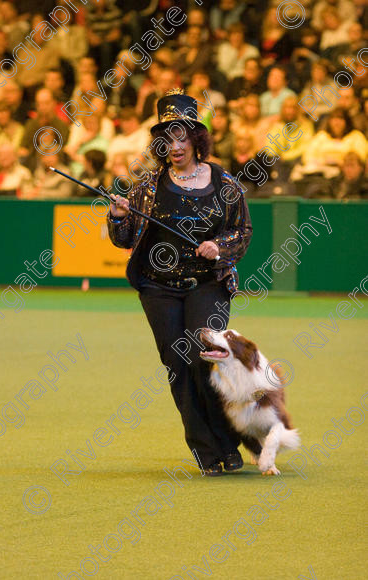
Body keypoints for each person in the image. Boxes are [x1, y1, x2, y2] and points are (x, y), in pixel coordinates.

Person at [108, 89, 258, 476]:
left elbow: (242, 231)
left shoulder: (223, 182)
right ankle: (207, 451)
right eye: (167, 139)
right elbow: (124, 239)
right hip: (159, 288)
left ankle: (230, 441)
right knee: (176, 362)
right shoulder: (146, 187)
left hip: (208, 283)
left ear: (196, 138)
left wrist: (218, 246)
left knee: (202, 358)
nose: (174, 146)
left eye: (181, 136)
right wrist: (117, 215)